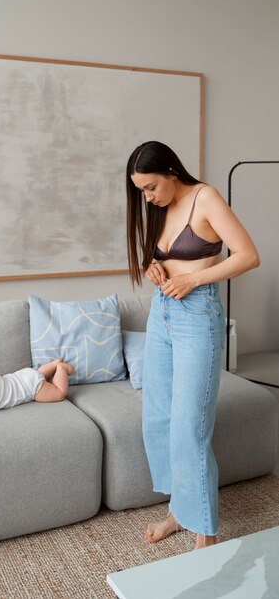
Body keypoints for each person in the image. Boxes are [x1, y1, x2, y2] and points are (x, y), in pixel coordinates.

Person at [126, 141, 260, 550]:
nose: (148, 197)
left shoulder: (206, 197)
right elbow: (167, 257)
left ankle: (206, 532)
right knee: (159, 418)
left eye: (150, 187)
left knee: (189, 426)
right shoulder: (161, 207)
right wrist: (155, 265)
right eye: (142, 192)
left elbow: (249, 255)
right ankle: (179, 512)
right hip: (161, 312)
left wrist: (194, 279)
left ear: (170, 170)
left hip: (197, 315)